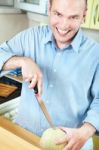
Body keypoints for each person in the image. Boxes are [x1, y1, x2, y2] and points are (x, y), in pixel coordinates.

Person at [0, 0, 99, 149]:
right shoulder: (30, 37)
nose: (64, 25)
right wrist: (22, 61)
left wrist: (85, 132)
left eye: (73, 17)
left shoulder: (95, 54)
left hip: (69, 145)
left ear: (84, 16)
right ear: (49, 9)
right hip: (25, 138)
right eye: (58, 14)